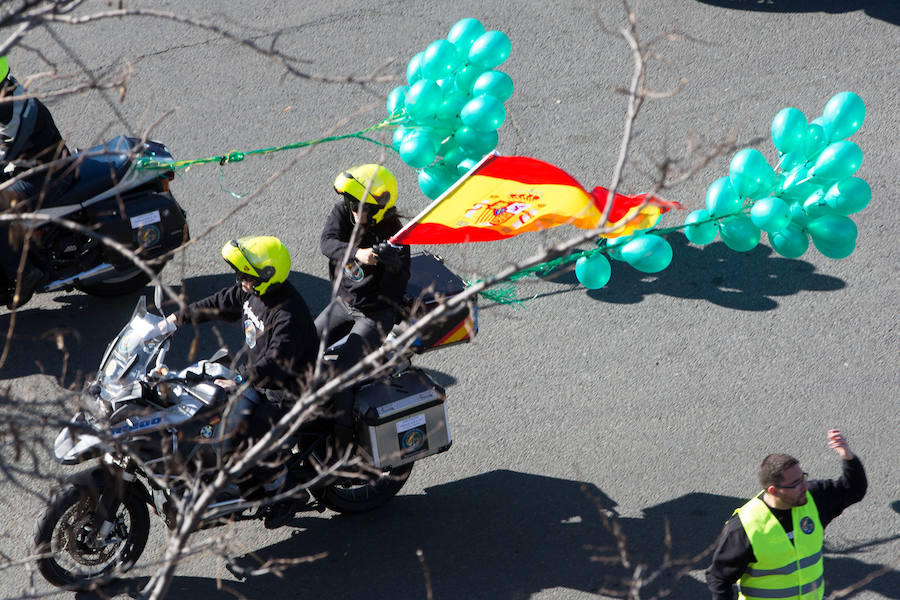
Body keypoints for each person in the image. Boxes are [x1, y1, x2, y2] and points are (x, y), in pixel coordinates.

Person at [165, 235, 319, 527]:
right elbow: (221, 302)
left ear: (266, 275)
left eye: (245, 276)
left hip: (281, 393)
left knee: (235, 442)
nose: (240, 281)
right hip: (252, 375)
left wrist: (239, 380)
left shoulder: (287, 315)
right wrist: (174, 320)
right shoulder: (254, 292)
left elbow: (275, 361)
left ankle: (282, 492)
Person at [706, 429, 867, 600]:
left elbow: (854, 490)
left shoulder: (812, 499)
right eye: (796, 483)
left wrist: (848, 457)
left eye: (803, 477)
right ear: (774, 491)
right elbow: (718, 578)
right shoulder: (745, 527)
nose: (804, 486)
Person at [315, 163, 411, 367]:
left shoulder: (396, 237)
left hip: (374, 314)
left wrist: (393, 265)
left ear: (378, 209)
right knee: (302, 347)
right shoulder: (344, 211)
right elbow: (327, 243)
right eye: (351, 203)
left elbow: (394, 291)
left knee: (339, 378)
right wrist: (358, 253)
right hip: (343, 302)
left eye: (360, 206)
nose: (354, 210)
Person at [0, 55, 73, 308]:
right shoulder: (6, 89)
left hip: (49, 176)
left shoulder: (9, 111)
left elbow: (3, 154)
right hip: (29, 164)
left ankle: (25, 274)